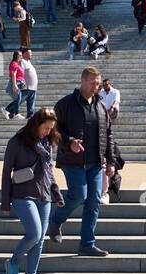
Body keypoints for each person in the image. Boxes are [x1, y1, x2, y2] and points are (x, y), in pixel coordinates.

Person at [48, 67, 115, 254]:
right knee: (79, 195)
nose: (97, 86)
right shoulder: (65, 104)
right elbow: (54, 131)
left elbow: (108, 134)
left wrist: (111, 161)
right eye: (93, 83)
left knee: (94, 201)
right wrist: (70, 142)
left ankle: (87, 244)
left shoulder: (101, 106)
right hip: (72, 160)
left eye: (98, 83)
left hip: (94, 162)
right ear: (83, 81)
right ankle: (55, 221)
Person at [2, 108, 64, 274]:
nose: (48, 131)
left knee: (39, 240)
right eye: (45, 128)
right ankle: (13, 261)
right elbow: (6, 172)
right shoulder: (17, 141)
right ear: (36, 124)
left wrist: (57, 193)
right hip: (22, 194)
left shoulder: (46, 142)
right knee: (34, 234)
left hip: (44, 195)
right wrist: (5, 201)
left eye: (51, 128)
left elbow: (48, 171)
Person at [2, 51, 26, 121]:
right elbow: (14, 75)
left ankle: (9, 111)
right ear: (16, 56)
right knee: (18, 98)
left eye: (21, 55)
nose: (21, 56)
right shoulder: (14, 64)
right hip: (16, 83)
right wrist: (15, 85)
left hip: (19, 82)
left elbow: (20, 75)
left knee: (19, 99)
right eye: (20, 55)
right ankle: (15, 113)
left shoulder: (18, 64)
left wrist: (23, 81)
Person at [18, 49, 39, 119]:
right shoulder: (22, 61)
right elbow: (20, 73)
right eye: (28, 53)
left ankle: (30, 116)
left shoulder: (28, 62)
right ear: (23, 54)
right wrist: (22, 83)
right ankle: (9, 110)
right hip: (27, 86)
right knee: (19, 101)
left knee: (31, 103)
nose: (31, 54)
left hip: (33, 87)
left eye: (31, 53)